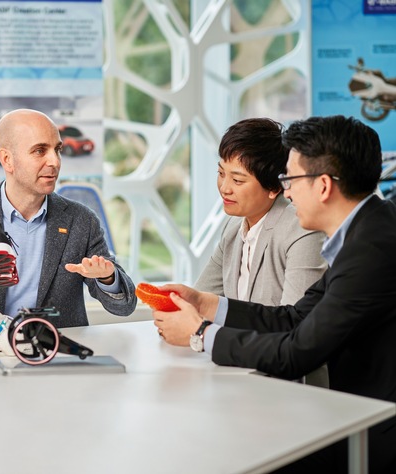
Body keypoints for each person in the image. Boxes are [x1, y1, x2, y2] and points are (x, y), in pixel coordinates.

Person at [154, 115, 396, 473]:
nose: (286, 191)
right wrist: (208, 304)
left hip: (376, 429)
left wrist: (200, 335)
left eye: (291, 179)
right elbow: (296, 316)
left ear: (324, 186)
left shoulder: (370, 249)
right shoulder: (366, 230)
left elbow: (299, 351)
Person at [0, 109, 137, 327]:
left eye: (57, 150)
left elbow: (125, 305)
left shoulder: (81, 220)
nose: (55, 161)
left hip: (58, 349)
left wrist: (108, 278)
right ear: (7, 160)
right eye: (40, 151)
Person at [194, 118, 328, 386]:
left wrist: (202, 330)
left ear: (275, 188)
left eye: (238, 179)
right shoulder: (233, 227)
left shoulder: (302, 230)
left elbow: (294, 328)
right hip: (238, 375)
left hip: (289, 385)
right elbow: (199, 301)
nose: (224, 187)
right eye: (221, 173)